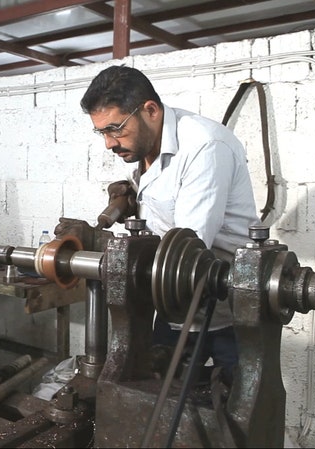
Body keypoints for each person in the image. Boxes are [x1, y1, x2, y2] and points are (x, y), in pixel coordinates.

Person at [79, 65, 261, 385]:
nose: (109, 143)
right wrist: (132, 197)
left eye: (115, 129)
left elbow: (188, 250)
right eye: (102, 132)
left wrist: (120, 258)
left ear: (150, 110)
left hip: (224, 309)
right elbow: (168, 204)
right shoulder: (147, 147)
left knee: (232, 410)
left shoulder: (205, 146)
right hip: (172, 304)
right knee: (158, 392)